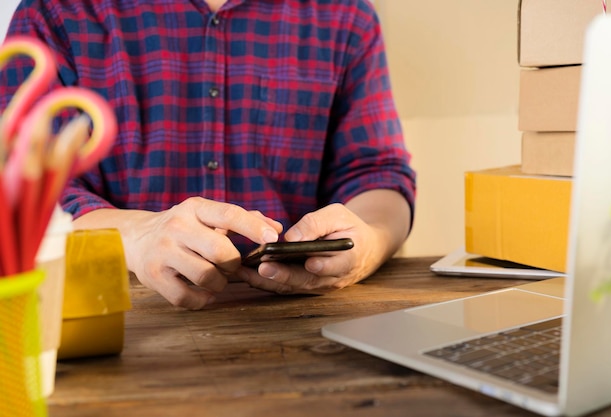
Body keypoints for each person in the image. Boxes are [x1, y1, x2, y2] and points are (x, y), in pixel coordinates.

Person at [0, 0, 416, 310]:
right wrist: (134, 236)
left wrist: (369, 244)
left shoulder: (344, 14)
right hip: (103, 315)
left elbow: (378, 173)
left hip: (301, 322)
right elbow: (16, 185)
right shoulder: (56, 11)